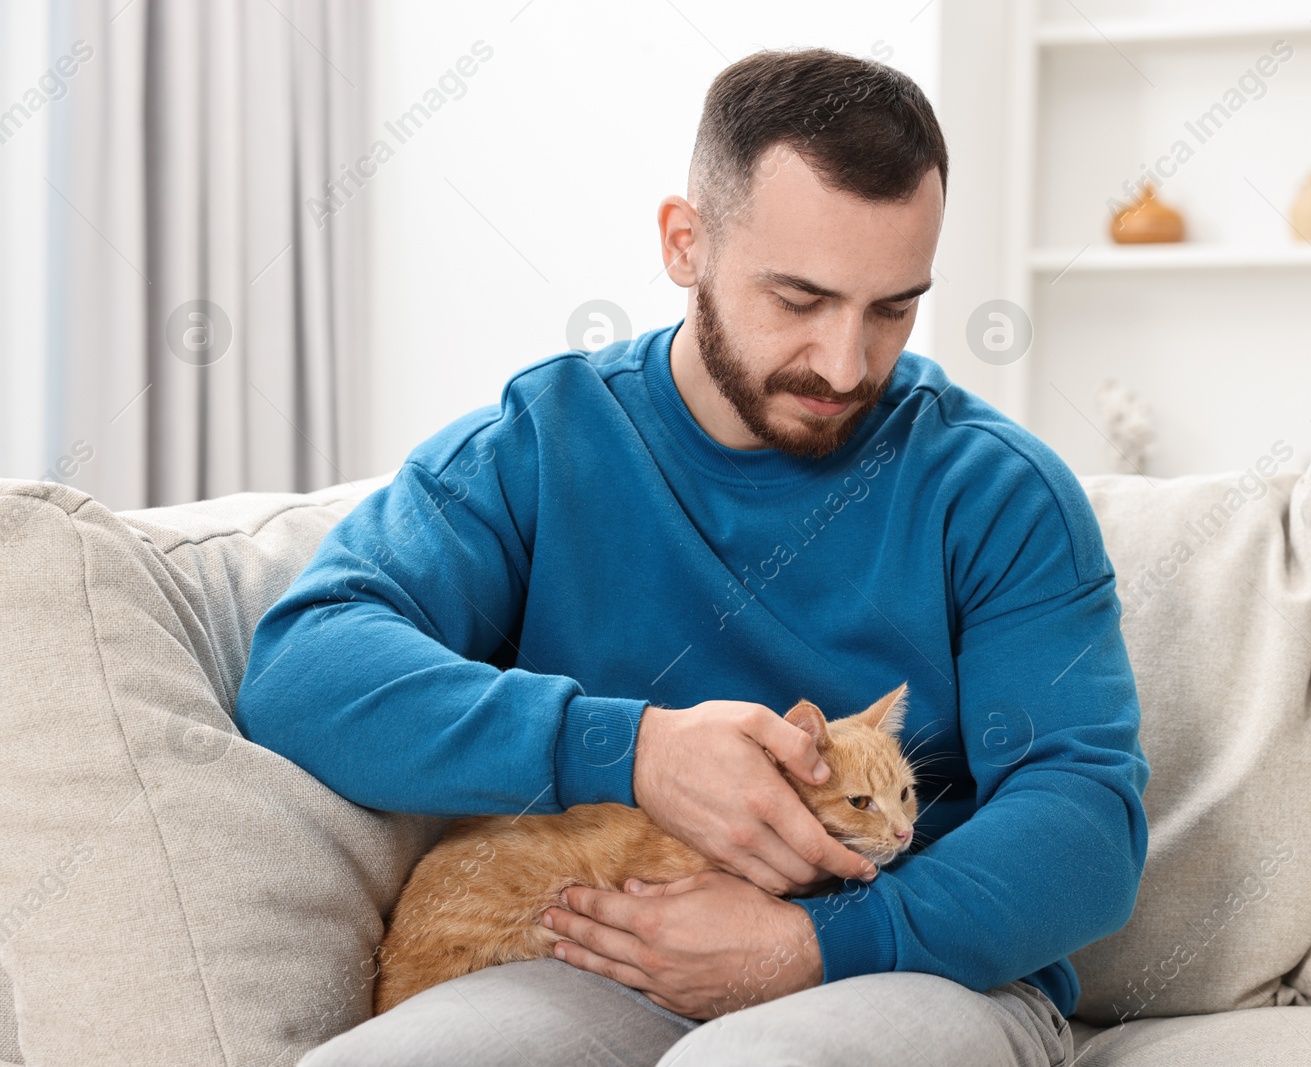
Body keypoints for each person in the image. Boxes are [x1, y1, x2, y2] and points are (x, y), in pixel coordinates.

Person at [236, 45, 1148, 1067]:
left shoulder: (996, 490)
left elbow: (1087, 820)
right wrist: (633, 750)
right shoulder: (543, 442)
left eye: (891, 307)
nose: (847, 364)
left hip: (911, 973)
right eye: (799, 299)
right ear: (685, 242)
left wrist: (810, 941)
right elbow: (302, 665)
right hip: (596, 960)